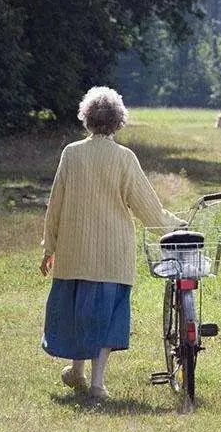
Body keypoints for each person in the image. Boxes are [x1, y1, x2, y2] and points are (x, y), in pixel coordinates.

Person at [40, 86, 184, 400]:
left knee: (78, 312)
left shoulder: (72, 153)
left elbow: (56, 205)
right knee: (105, 318)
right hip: (112, 256)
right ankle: (96, 383)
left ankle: (76, 371)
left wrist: (49, 248)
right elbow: (148, 208)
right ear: (118, 122)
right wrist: (175, 228)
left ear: (87, 119)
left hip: (73, 253)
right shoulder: (124, 159)